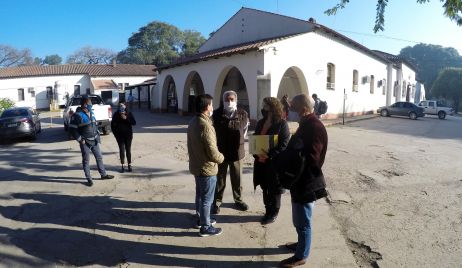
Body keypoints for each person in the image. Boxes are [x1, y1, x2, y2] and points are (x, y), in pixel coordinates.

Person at [280, 94, 328, 267]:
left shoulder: (314, 126)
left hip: (306, 180)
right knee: (299, 219)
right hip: (299, 180)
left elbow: (313, 158)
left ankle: (301, 255)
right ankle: (301, 244)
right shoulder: (306, 123)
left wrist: (293, 155)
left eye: (294, 107)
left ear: (303, 109)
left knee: (304, 221)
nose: (291, 110)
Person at [187, 94, 225, 237]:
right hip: (206, 168)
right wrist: (221, 158)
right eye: (211, 104)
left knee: (200, 196)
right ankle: (205, 226)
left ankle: (201, 219)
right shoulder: (206, 126)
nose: (212, 107)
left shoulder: (193, 121)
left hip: (197, 165)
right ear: (207, 106)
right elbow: (212, 152)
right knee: (207, 199)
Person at [253, 97, 290, 225]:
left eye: (265, 105)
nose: (263, 107)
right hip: (261, 162)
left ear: (272, 107)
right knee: (264, 186)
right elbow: (256, 139)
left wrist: (269, 155)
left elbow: (284, 145)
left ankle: (273, 213)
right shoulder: (261, 122)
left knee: (274, 190)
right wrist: (256, 152)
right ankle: (267, 210)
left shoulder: (282, 124)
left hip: (274, 164)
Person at [212, 90, 249, 214]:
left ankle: (238, 200)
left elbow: (244, 131)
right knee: (219, 179)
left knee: (237, 178)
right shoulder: (216, 114)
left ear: (236, 100)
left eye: (232, 99)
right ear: (223, 100)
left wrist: (239, 143)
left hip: (237, 152)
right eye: (227, 99)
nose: (229, 102)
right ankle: (217, 201)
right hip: (221, 152)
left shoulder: (243, 114)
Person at [69, 96, 114, 186]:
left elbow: (94, 124)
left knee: (99, 157)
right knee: (86, 160)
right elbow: (72, 129)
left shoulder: (91, 112)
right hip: (85, 141)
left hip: (95, 139)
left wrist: (97, 131)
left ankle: (103, 174)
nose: (91, 105)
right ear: (85, 104)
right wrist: (80, 140)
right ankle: (89, 179)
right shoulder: (77, 115)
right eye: (89, 103)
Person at [111, 103, 136, 173]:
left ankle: (129, 165)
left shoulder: (129, 113)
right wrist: (116, 135)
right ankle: (122, 165)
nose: (122, 107)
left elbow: (134, 122)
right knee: (121, 150)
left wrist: (126, 118)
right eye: (120, 106)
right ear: (118, 107)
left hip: (128, 136)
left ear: (125, 106)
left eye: (123, 105)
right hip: (120, 136)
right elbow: (112, 126)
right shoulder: (116, 114)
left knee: (128, 150)